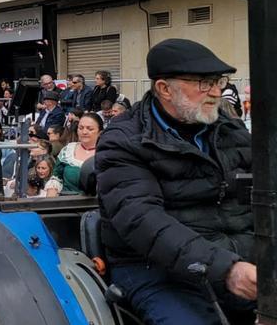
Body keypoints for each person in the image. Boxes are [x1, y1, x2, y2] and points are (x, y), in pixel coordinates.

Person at [96, 38, 255, 324]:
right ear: (164, 89)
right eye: (203, 83)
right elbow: (143, 221)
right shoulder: (125, 141)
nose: (216, 91)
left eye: (218, 81)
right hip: (155, 268)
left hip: (243, 260)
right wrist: (226, 269)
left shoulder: (232, 130)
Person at [45, 112, 102, 197]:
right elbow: (56, 178)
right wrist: (51, 198)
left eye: (90, 129)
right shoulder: (68, 150)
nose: (84, 132)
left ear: (100, 132)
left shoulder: (106, 153)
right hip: (68, 203)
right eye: (81, 128)